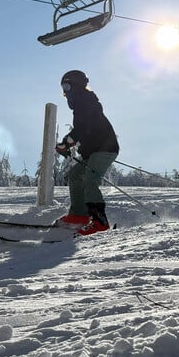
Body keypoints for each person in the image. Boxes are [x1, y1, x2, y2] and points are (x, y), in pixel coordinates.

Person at [55, 70, 119, 235]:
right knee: (75, 175)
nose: (65, 91)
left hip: (104, 148)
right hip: (94, 149)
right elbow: (85, 131)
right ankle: (79, 215)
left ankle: (100, 221)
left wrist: (66, 143)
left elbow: (84, 128)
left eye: (67, 86)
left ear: (76, 85)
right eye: (63, 87)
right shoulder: (81, 104)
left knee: (90, 180)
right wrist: (69, 145)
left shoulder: (86, 101)